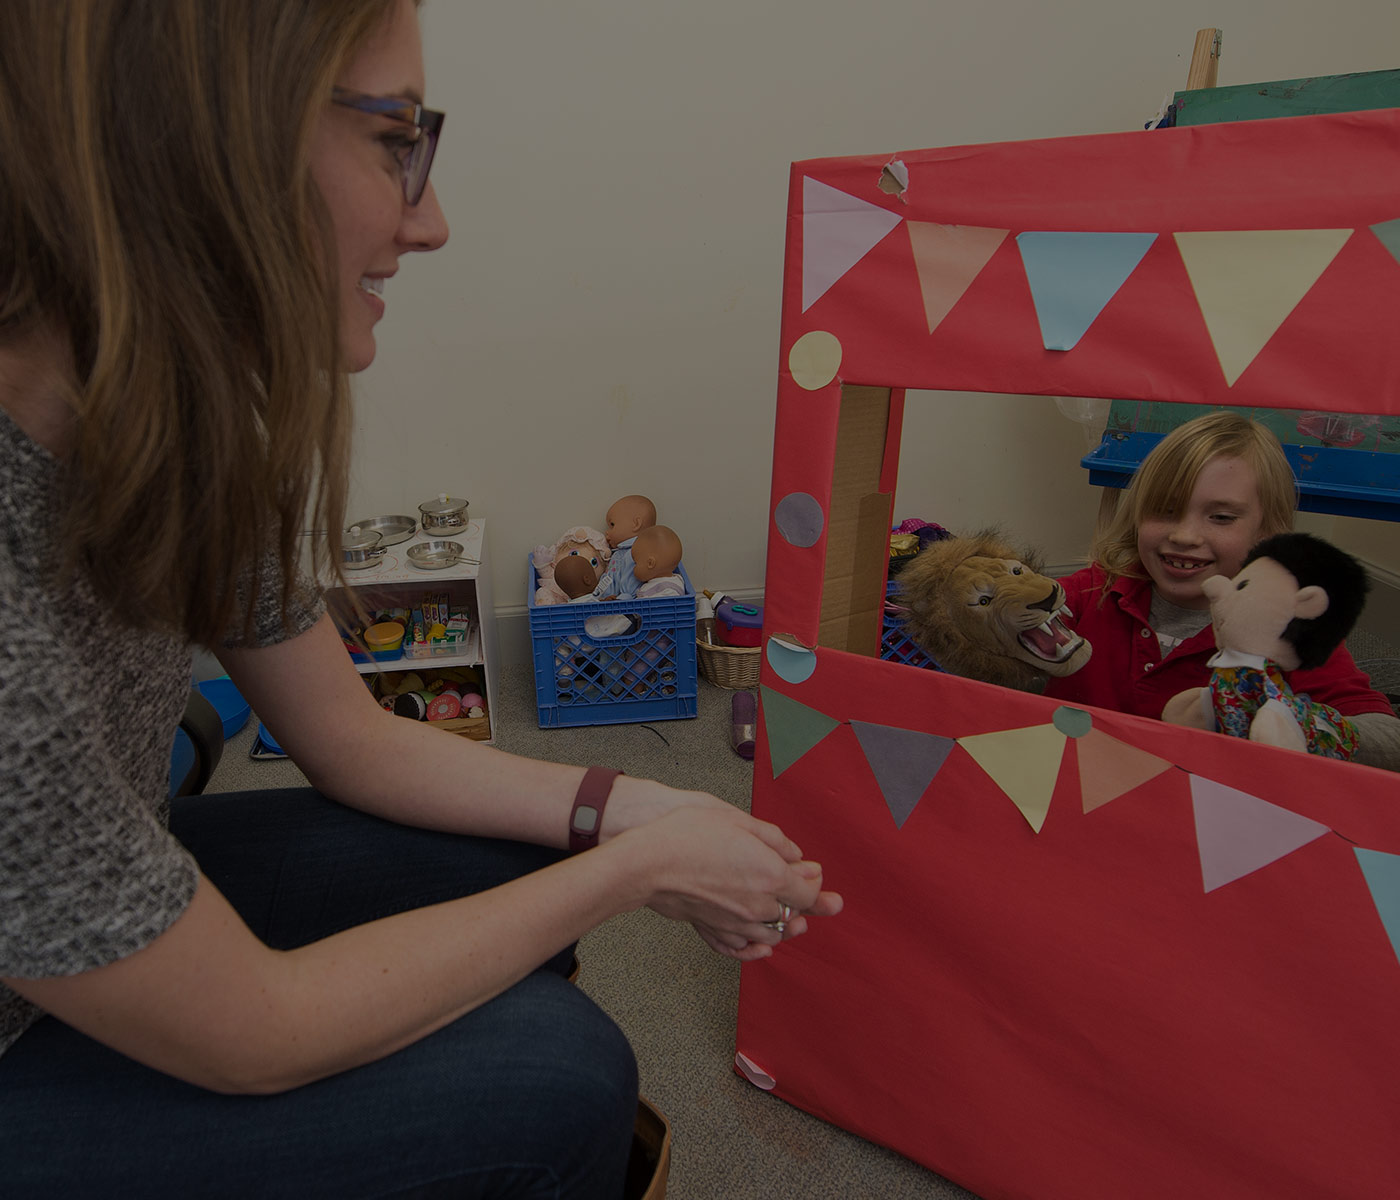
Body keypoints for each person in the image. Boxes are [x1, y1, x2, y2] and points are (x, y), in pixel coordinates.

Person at [0, 2, 842, 1195]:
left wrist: (639, 809)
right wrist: (632, 871)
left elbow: (347, 740)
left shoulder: (173, 425)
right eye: (394, 139)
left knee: (505, 871)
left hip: (66, 921)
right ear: (198, 145)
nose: (430, 219)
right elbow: (259, 1033)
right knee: (557, 1079)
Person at [1044, 410, 1400, 771]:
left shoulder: (1287, 626)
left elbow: (1388, 738)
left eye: (1221, 517)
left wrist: (1304, 727)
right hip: (1077, 786)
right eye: (1165, 511)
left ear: (1267, 534)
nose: (1184, 536)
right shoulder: (1094, 589)